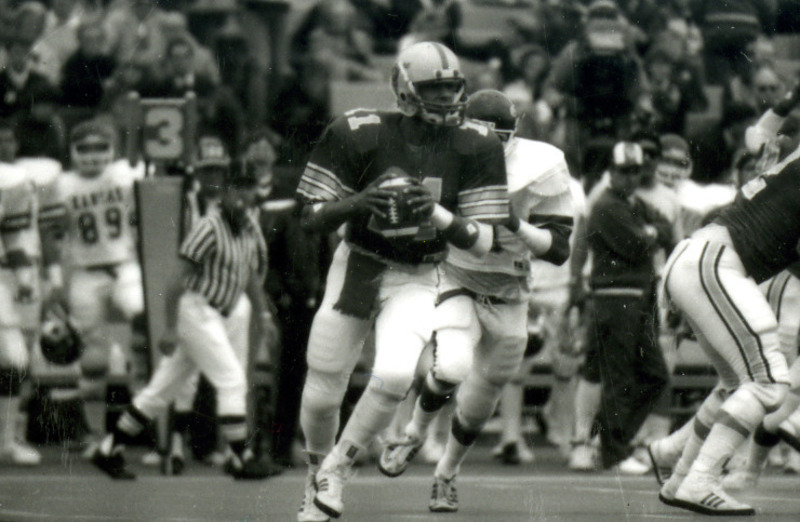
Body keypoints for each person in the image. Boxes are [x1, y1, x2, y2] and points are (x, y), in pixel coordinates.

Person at [295, 42, 510, 521]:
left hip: (419, 272)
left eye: (452, 89)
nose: (447, 99)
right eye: (434, 90)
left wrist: (436, 215)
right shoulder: (359, 131)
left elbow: (484, 241)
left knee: (393, 374)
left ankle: (335, 470)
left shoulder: (477, 142)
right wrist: (359, 201)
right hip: (360, 263)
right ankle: (314, 474)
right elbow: (309, 217)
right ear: (405, 90)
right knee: (325, 386)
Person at [377, 89, 574, 511]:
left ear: (512, 134)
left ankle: (447, 472)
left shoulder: (542, 164)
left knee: (482, 398)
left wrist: (513, 220)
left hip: (510, 290)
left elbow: (558, 249)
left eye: (496, 137)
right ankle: (413, 433)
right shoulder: (442, 154)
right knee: (451, 365)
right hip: (457, 274)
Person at [89, 142, 278, 481]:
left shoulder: (248, 227)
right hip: (196, 309)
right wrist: (170, 327)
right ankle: (242, 457)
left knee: (161, 390)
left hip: (217, 311)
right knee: (232, 379)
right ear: (227, 191)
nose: (244, 199)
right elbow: (176, 282)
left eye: (249, 192)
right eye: (238, 190)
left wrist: (262, 313)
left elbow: (248, 276)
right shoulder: (209, 226)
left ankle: (109, 449)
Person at [654, 121, 800, 515]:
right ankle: (701, 480)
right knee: (769, 382)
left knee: (737, 384)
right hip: (714, 264)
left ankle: (681, 476)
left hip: (700, 260)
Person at [39, 119, 144, 456]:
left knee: (144, 322)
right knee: (92, 357)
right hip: (85, 272)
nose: (93, 155)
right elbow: (51, 234)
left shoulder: (124, 175)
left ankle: (146, 419)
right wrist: (55, 280)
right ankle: (92, 432)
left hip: (124, 266)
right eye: (84, 148)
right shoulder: (62, 184)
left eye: (100, 148)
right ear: (72, 152)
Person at [578, 141, 672, 474]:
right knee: (621, 375)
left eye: (635, 171)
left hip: (636, 296)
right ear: (611, 171)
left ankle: (608, 441)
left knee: (654, 375)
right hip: (616, 297)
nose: (631, 177)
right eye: (624, 171)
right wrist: (651, 232)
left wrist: (651, 231)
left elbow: (665, 227)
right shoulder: (607, 205)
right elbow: (637, 244)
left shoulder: (630, 203)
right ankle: (612, 450)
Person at [0, 119, 44, 465]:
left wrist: (24, 277)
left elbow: (12, 237)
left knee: (14, 359)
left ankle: (5, 442)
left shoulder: (10, 183)